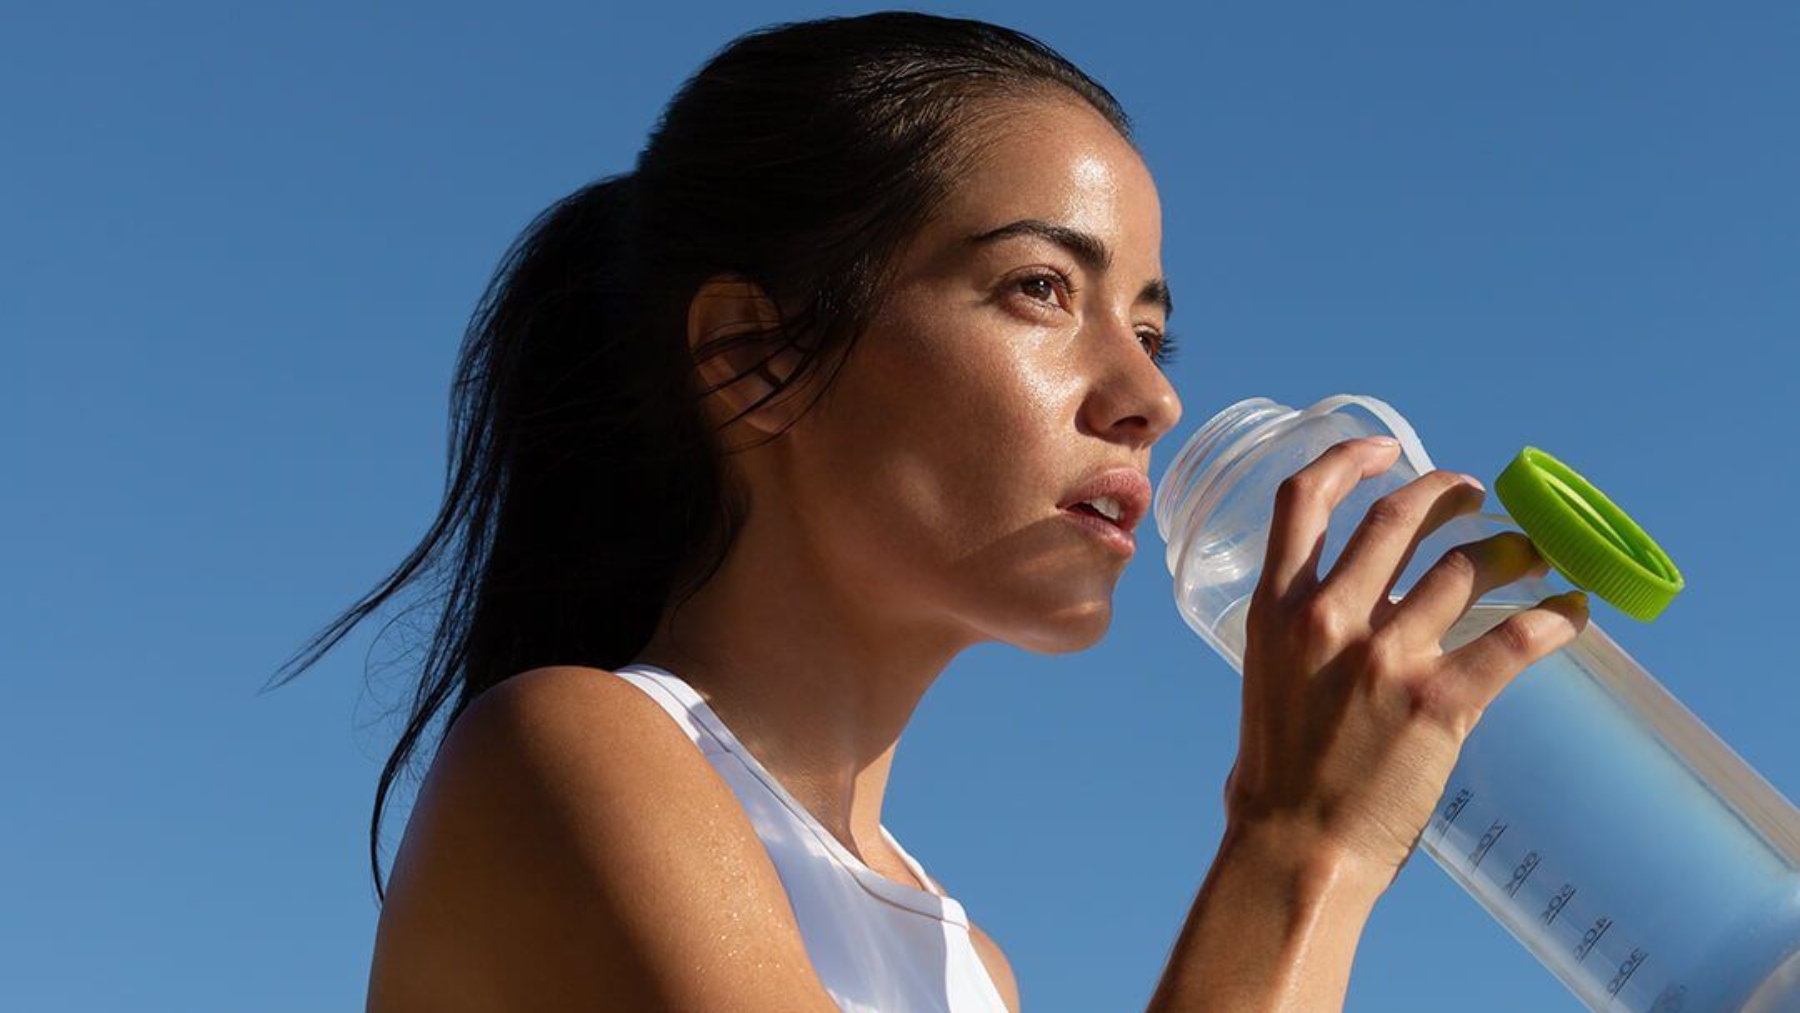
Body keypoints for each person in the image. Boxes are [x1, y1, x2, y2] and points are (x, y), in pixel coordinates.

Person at [270, 11, 1590, 1011]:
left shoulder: (967, 962)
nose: (1146, 398)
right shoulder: (572, 754)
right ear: (749, 358)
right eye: (1038, 289)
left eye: (1151, 331)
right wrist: (1307, 845)